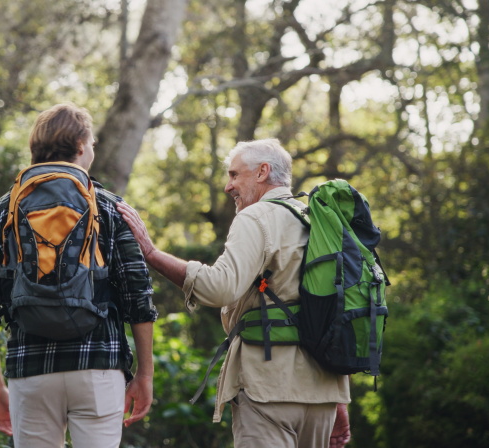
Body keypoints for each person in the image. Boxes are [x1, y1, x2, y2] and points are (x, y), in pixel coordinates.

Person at [116, 138, 352, 448]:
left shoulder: (256, 217)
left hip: (268, 390)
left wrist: (151, 253)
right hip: (323, 395)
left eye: (234, 174)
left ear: (262, 172)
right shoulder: (316, 221)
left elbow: (220, 288)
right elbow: (333, 314)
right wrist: (339, 401)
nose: (228, 186)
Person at [0, 103, 158, 447]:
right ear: (81, 146)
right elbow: (138, 295)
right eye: (93, 144)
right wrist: (145, 374)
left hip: (30, 368)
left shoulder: (3, 209)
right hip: (98, 366)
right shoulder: (110, 207)